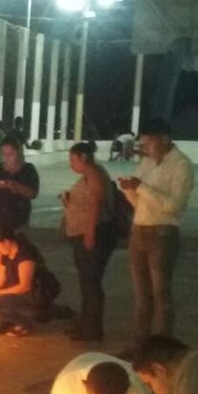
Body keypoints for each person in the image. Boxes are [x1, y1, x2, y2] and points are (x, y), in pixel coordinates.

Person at [118, 118, 195, 350]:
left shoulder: (181, 165)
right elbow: (139, 203)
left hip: (163, 233)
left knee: (161, 294)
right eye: (142, 144)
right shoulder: (148, 162)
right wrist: (129, 190)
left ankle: (162, 348)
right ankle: (140, 345)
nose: (145, 149)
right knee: (142, 295)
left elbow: (173, 206)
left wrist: (140, 187)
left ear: (165, 139)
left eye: (148, 144)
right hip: (139, 229)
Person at [60, 141, 117, 342]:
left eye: (73, 159)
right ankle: (86, 324)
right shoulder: (89, 174)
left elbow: (95, 204)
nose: (71, 164)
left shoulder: (95, 174)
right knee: (87, 282)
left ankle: (92, 329)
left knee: (91, 282)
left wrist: (90, 234)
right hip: (85, 233)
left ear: (83, 158)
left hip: (95, 234)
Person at [0, 229, 45, 336]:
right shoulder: (6, 255)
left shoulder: (25, 256)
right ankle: (15, 317)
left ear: (6, 242)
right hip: (10, 298)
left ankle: (25, 322)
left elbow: (25, 286)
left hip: (29, 296)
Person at [0, 136, 40, 234]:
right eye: (4, 154)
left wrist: (15, 186)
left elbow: (32, 193)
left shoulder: (28, 169)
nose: (7, 158)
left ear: (18, 152)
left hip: (18, 221)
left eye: (10, 154)